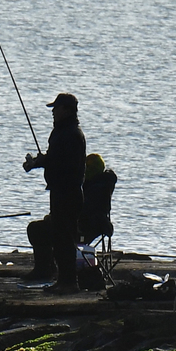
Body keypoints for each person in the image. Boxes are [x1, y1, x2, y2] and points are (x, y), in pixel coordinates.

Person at [23, 93, 87, 294]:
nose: (53, 112)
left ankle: (69, 282)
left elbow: (65, 164)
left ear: (67, 110)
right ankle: (60, 279)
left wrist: (45, 162)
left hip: (68, 193)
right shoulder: (61, 132)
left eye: (56, 108)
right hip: (59, 192)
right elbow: (54, 158)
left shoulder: (72, 134)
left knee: (65, 239)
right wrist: (36, 163)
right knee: (59, 237)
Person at [25, 153, 116, 282]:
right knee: (40, 227)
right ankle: (48, 267)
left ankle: (45, 269)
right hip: (82, 225)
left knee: (37, 229)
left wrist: (57, 217)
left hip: (81, 228)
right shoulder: (98, 184)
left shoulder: (94, 188)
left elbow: (81, 211)